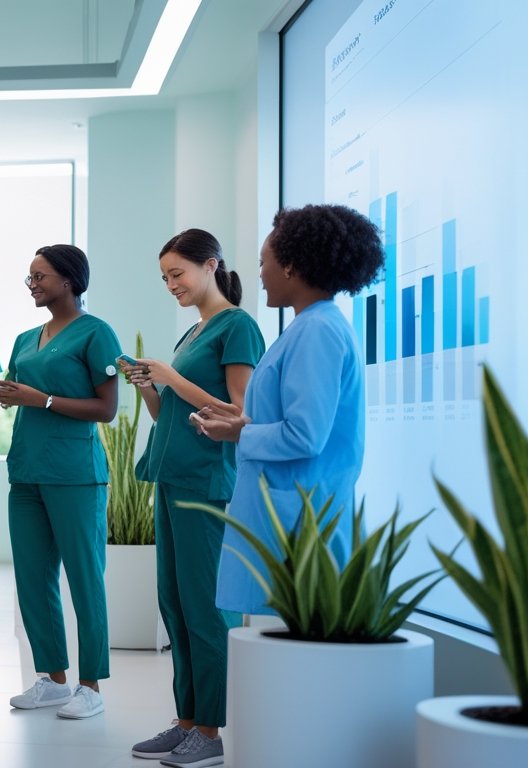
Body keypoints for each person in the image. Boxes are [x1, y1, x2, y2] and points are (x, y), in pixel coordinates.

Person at [192, 205, 383, 627]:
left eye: (264, 262)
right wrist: (240, 419)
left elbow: (305, 435)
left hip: (299, 519)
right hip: (291, 510)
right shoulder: (310, 326)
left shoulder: (317, 331)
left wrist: (238, 434)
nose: (259, 274)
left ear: (291, 266)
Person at [119, 229, 264, 767]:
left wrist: (172, 377)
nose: (171, 285)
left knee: (205, 608)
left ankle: (211, 731)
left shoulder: (237, 326)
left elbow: (239, 411)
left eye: (177, 273)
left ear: (211, 266)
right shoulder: (193, 332)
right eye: (165, 278)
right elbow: (171, 416)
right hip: (173, 477)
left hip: (207, 484)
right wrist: (150, 387)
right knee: (174, 605)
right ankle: (186, 721)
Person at [0, 244, 121, 719]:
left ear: (68, 280)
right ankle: (51, 678)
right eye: (29, 277)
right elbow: (21, 391)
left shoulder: (96, 333)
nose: (32, 284)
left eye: (40, 276)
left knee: (85, 579)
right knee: (32, 578)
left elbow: (106, 409)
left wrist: (42, 399)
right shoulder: (26, 338)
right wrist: (13, 396)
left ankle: (91, 685)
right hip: (27, 470)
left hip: (74, 474)